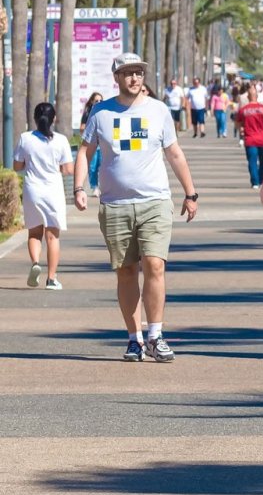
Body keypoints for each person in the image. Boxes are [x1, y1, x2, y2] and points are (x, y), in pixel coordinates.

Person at [72, 53, 200, 362]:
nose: (134, 78)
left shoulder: (158, 111)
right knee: (126, 272)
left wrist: (190, 193)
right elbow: (84, 153)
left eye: (138, 73)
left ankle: (156, 335)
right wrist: (79, 188)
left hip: (154, 201)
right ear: (116, 77)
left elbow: (175, 153)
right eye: (128, 73)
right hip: (115, 205)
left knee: (155, 265)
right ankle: (134, 338)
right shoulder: (101, 113)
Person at [14, 103, 73, 290]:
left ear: (34, 118)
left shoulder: (25, 138)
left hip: (33, 189)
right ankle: (51, 279)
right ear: (54, 118)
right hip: (53, 190)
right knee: (52, 236)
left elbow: (17, 166)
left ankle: (35, 263)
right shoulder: (61, 140)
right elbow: (68, 169)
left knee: (34, 233)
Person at [234, 87, 263, 189]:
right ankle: (262, 180)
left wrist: (241, 129)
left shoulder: (243, 110)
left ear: (248, 97)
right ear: (257, 96)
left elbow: (237, 124)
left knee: (252, 161)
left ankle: (255, 182)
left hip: (250, 140)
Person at [81, 92, 105, 196]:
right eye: (96, 101)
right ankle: (94, 187)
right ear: (91, 102)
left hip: (103, 144)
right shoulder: (88, 113)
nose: (99, 102)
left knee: (103, 165)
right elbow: (82, 128)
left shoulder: (105, 112)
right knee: (93, 167)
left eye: (101, 101)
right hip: (93, 144)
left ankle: (103, 186)